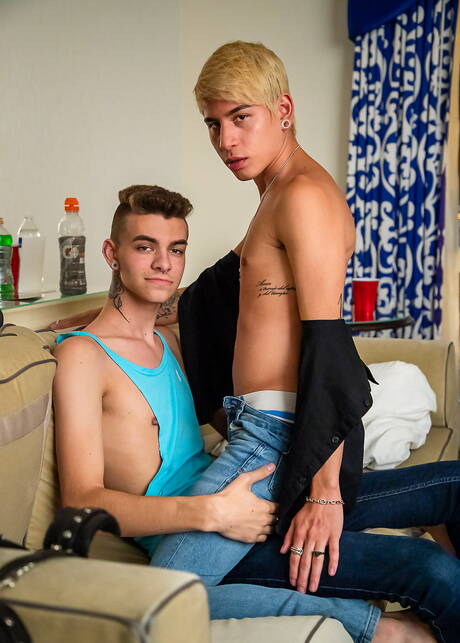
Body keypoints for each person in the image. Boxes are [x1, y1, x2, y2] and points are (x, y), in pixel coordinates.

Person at [51, 42, 460, 641]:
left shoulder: (302, 197)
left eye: (241, 118)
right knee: (447, 493)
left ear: (283, 110)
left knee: (156, 598)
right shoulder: (274, 196)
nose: (226, 140)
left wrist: (325, 494)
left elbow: (326, 344)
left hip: (278, 435)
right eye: (214, 124)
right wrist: (95, 316)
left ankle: (390, 627)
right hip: (269, 431)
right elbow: (208, 295)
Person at [54, 184, 398, 643]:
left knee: (417, 543)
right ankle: (384, 631)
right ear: (111, 254)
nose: (164, 263)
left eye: (177, 249)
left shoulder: (169, 341)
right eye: (145, 247)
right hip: (195, 534)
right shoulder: (83, 356)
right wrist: (212, 512)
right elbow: (80, 503)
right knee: (404, 573)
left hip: (242, 502)